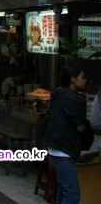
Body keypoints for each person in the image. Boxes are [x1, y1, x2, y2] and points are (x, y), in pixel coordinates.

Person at [45, 64, 88, 204]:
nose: (85, 80)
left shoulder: (59, 94)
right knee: (72, 196)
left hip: (56, 148)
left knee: (64, 193)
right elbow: (80, 127)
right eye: (82, 77)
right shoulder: (72, 98)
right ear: (73, 79)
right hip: (64, 151)